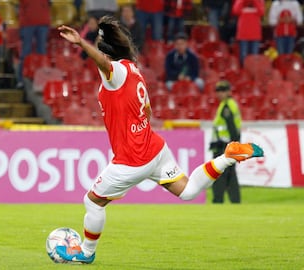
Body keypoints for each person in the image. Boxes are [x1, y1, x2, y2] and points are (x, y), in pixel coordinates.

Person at [55, 16, 264, 264]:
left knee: (92, 202)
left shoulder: (116, 73)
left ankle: (86, 253)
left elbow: (103, 63)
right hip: (155, 148)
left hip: (132, 159)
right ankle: (229, 156)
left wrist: (80, 42)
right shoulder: (135, 71)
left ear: (106, 55)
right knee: (187, 191)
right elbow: (148, 111)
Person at [209, 80, 242, 203]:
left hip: (224, 146)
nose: (220, 94)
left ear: (229, 92)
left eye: (223, 91)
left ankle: (218, 200)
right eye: (218, 91)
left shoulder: (227, 106)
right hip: (228, 146)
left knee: (219, 175)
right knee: (231, 175)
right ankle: (235, 201)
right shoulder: (229, 104)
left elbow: (232, 128)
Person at [16, 0, 51, 89]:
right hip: (28, 21)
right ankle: (21, 80)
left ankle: (41, 80)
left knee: (41, 53)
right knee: (26, 52)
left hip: (42, 21)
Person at [232, 0, 265, 65]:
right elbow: (235, 11)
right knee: (243, 56)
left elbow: (261, 12)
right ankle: (244, 73)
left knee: (255, 57)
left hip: (255, 33)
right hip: (243, 33)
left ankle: (254, 73)